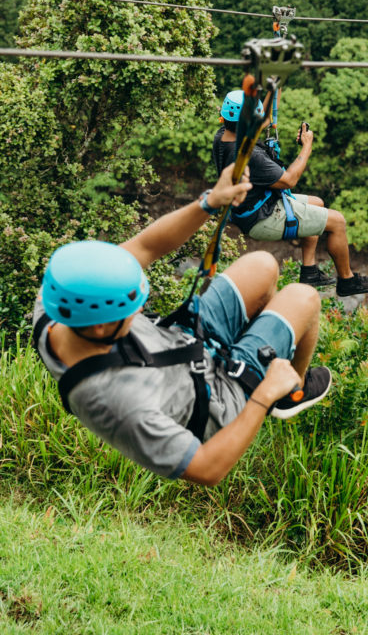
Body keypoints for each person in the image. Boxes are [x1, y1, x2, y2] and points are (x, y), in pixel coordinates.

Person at [32, 164, 331, 487]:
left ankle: (257, 351)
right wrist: (264, 394)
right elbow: (206, 469)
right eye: (132, 309)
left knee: (262, 264)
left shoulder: (62, 298)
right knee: (304, 298)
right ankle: (290, 391)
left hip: (183, 342)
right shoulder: (117, 403)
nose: (142, 308)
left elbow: (147, 246)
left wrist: (210, 202)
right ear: (101, 329)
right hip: (215, 399)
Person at [213, 90, 368, 297]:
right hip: (262, 216)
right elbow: (289, 180)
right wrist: (307, 146)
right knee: (337, 222)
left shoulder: (224, 135)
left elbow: (264, 118)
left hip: (252, 206)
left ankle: (309, 271)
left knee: (317, 202)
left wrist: (275, 87)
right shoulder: (249, 155)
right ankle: (347, 281)